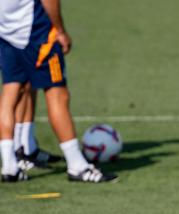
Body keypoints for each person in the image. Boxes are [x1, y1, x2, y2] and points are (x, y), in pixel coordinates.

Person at [0, 0, 115, 182]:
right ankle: (77, 165)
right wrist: (60, 30)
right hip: (36, 32)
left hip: (6, 30)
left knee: (11, 90)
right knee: (57, 94)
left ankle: (9, 165)